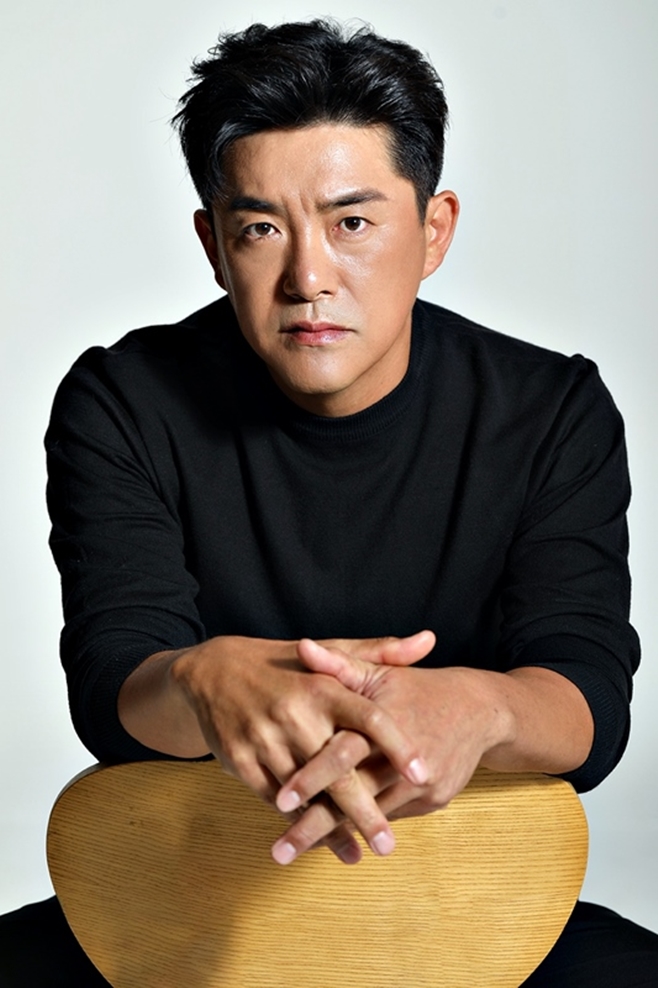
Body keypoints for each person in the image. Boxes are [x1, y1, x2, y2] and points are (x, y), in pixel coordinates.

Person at [1, 18, 657, 987]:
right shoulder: (123, 400)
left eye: (352, 223)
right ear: (213, 244)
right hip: (187, 896)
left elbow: (589, 700)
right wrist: (205, 680)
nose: (308, 279)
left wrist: (475, 706)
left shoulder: (551, 409)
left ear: (433, 231)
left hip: (477, 900)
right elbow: (113, 688)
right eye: (261, 229)